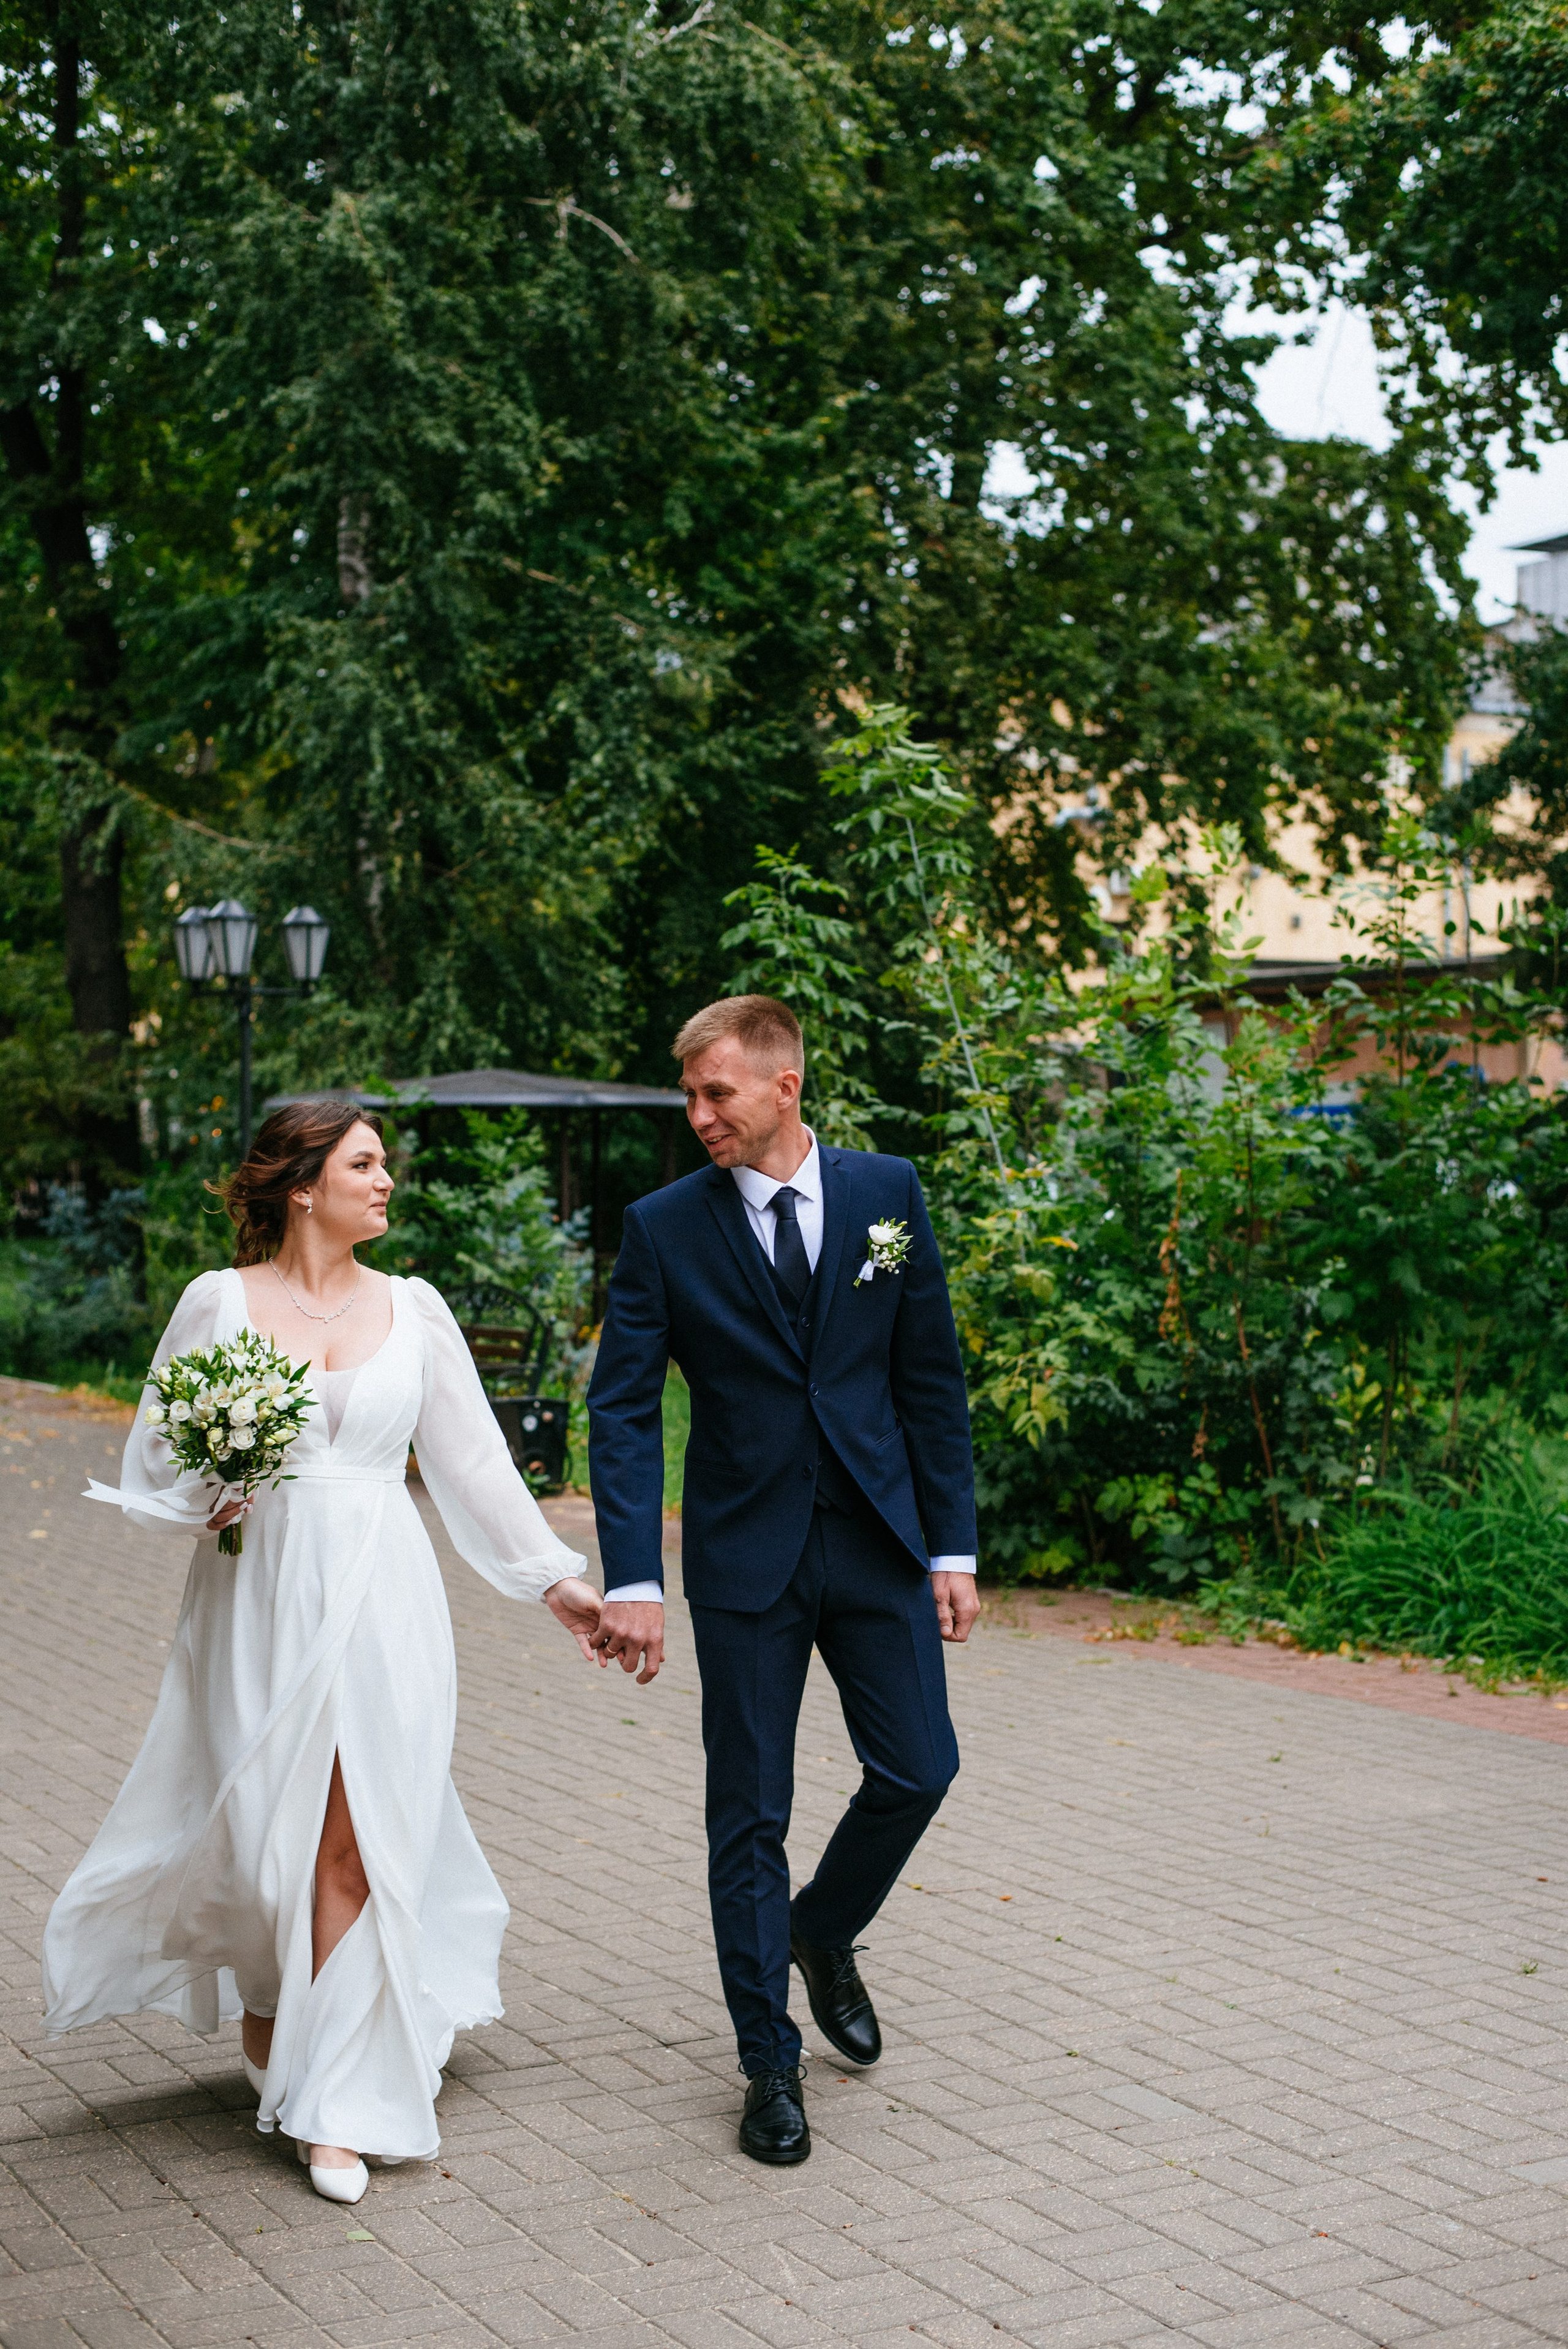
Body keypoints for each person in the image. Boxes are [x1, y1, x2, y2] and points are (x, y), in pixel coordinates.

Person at [43, 1099, 601, 2205]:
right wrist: (213, 1488)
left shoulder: (416, 1308)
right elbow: (157, 1461)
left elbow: (476, 1468)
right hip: (259, 1591)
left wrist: (557, 1581)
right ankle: (268, 1987)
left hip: (387, 1593)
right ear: (303, 1185)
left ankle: (338, 2105)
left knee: (358, 1831)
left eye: (383, 1162)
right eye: (364, 1162)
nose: (386, 1179)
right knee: (263, 1836)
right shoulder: (221, 1303)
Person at [587, 995, 978, 2165]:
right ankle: (768, 2062)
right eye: (691, 1096)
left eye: (718, 1093)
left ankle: (822, 1930)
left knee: (920, 1767)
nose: (700, 1114)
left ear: (784, 1087)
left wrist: (951, 1547)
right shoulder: (665, 1226)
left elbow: (930, 1382)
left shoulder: (885, 1196)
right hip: (745, 1555)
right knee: (748, 1814)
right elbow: (620, 1409)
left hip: (877, 1541)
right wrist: (632, 1578)